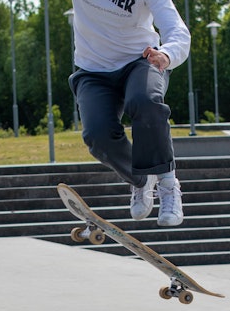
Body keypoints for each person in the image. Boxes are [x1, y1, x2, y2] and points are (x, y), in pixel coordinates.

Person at [68, 0, 191, 227]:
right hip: (93, 71)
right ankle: (141, 179)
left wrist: (167, 54)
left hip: (141, 62)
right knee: (97, 136)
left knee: (146, 102)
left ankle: (167, 184)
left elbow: (176, 29)